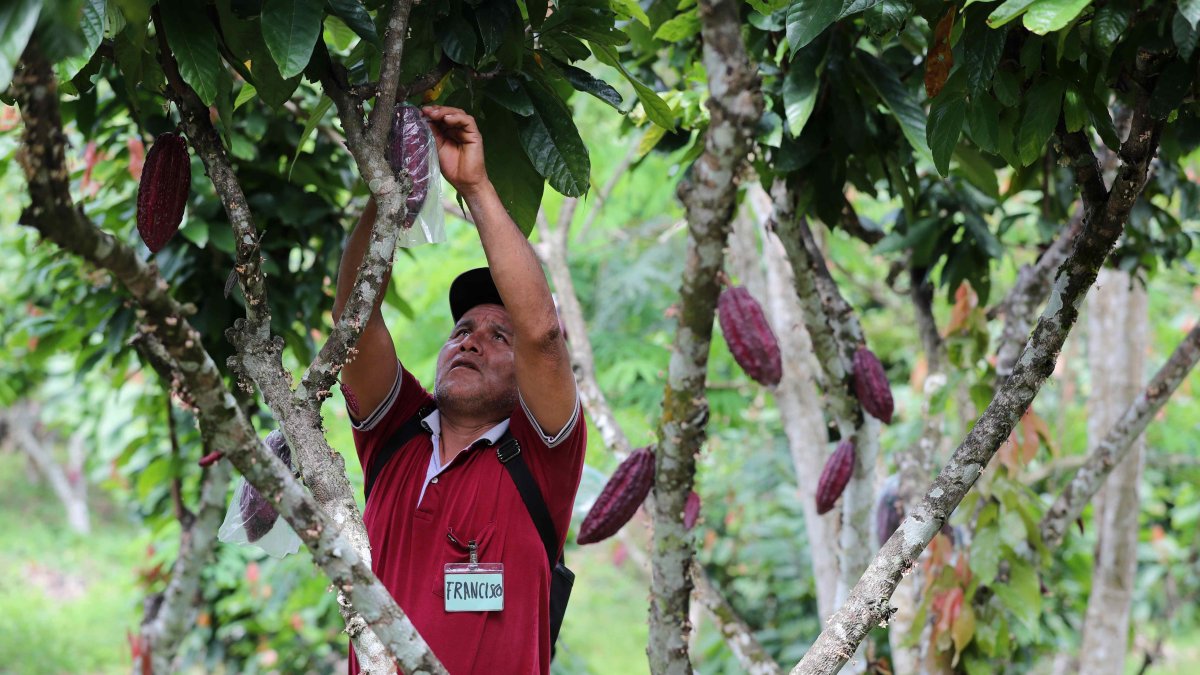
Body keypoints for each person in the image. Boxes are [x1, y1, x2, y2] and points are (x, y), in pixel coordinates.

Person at [333, 106, 587, 675]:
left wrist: (473, 184)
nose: (471, 342)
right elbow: (354, 322)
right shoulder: (396, 433)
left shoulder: (542, 455)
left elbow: (543, 334)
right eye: (462, 330)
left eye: (500, 336)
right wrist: (392, 181)